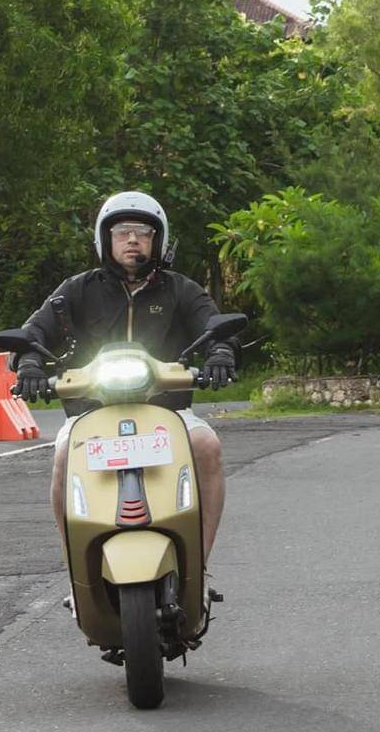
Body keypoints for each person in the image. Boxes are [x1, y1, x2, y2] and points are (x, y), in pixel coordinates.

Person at [14, 191, 237, 561]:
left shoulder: (182, 290)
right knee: (65, 452)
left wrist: (222, 354)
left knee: (207, 446)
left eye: (143, 232)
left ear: (159, 240)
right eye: (121, 232)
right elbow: (33, 332)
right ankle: (77, 566)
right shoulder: (76, 290)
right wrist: (29, 366)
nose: (132, 239)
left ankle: (199, 562)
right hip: (92, 412)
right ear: (105, 240)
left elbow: (216, 328)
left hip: (168, 409)